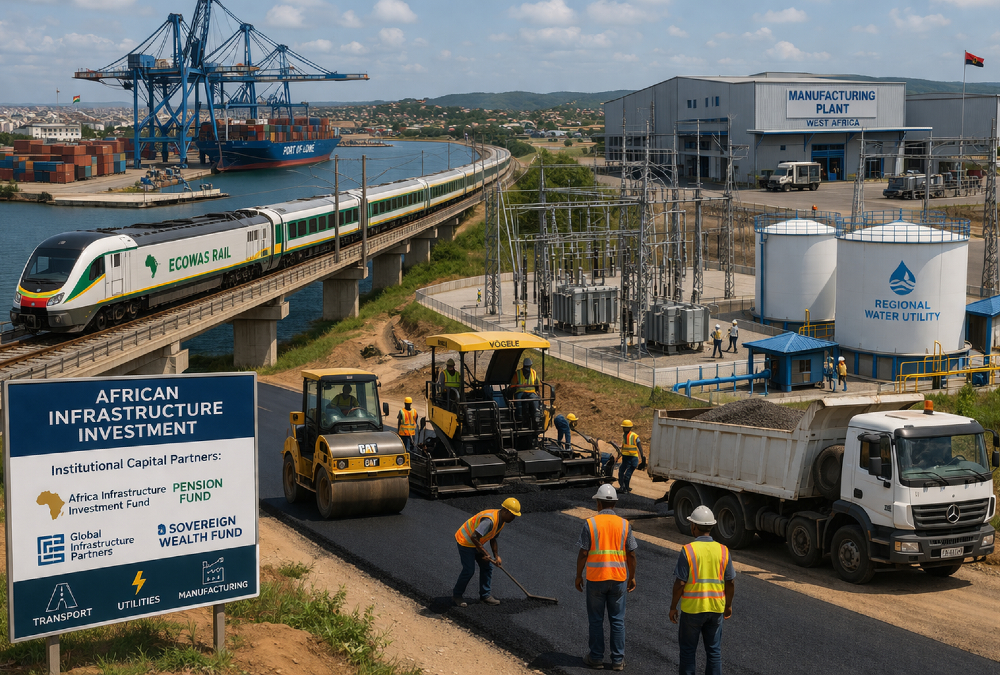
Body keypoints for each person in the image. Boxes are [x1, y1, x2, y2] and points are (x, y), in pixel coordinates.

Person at [576, 484, 637, 671]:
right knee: (617, 620)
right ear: (615, 503)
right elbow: (631, 554)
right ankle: (618, 660)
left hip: (596, 579)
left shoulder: (591, 524)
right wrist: (632, 577)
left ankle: (596, 658)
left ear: (598, 503)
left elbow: (583, 553)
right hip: (618, 579)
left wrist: (578, 575)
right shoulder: (625, 524)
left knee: (596, 620)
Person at [669, 505, 735, 675]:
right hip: (716, 608)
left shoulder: (688, 550)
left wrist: (673, 607)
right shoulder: (723, 550)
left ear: (694, 526)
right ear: (711, 526)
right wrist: (728, 605)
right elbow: (730, 582)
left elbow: (680, 583)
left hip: (693, 609)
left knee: (688, 651)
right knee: (714, 651)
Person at [453, 498, 521, 607]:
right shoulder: (489, 521)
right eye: (512, 515)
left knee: (487, 567)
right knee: (469, 571)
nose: (513, 518)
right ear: (505, 511)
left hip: (477, 542)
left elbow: (493, 538)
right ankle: (457, 595)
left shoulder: (501, 521)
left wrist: (496, 556)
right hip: (465, 541)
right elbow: (474, 537)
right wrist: (486, 553)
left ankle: (485, 596)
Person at [618, 420, 646, 494]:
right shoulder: (624, 436)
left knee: (626, 473)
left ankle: (624, 488)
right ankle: (625, 487)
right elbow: (625, 446)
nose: (624, 429)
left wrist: (642, 457)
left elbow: (639, 447)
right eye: (623, 427)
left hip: (632, 458)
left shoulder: (634, 436)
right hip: (626, 458)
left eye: (625, 427)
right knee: (623, 472)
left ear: (629, 428)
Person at [509, 357, 540, 424]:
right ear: (523, 366)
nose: (527, 368)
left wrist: (538, 393)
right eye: (526, 367)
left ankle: (537, 415)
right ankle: (519, 416)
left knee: (535, 399)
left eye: (528, 366)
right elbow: (512, 385)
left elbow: (537, 384)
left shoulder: (534, 373)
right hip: (520, 392)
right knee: (518, 401)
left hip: (531, 392)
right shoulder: (518, 373)